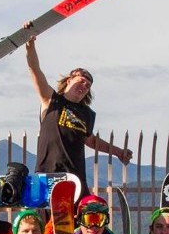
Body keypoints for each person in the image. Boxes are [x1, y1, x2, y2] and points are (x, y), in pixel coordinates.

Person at [24, 26, 132, 192]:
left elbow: (92, 141)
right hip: (48, 175)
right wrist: (29, 44)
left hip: (75, 179)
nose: (84, 86)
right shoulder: (51, 100)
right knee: (47, 218)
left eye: (88, 86)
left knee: (81, 217)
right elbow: (35, 70)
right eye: (81, 81)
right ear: (69, 80)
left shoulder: (86, 114)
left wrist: (118, 152)